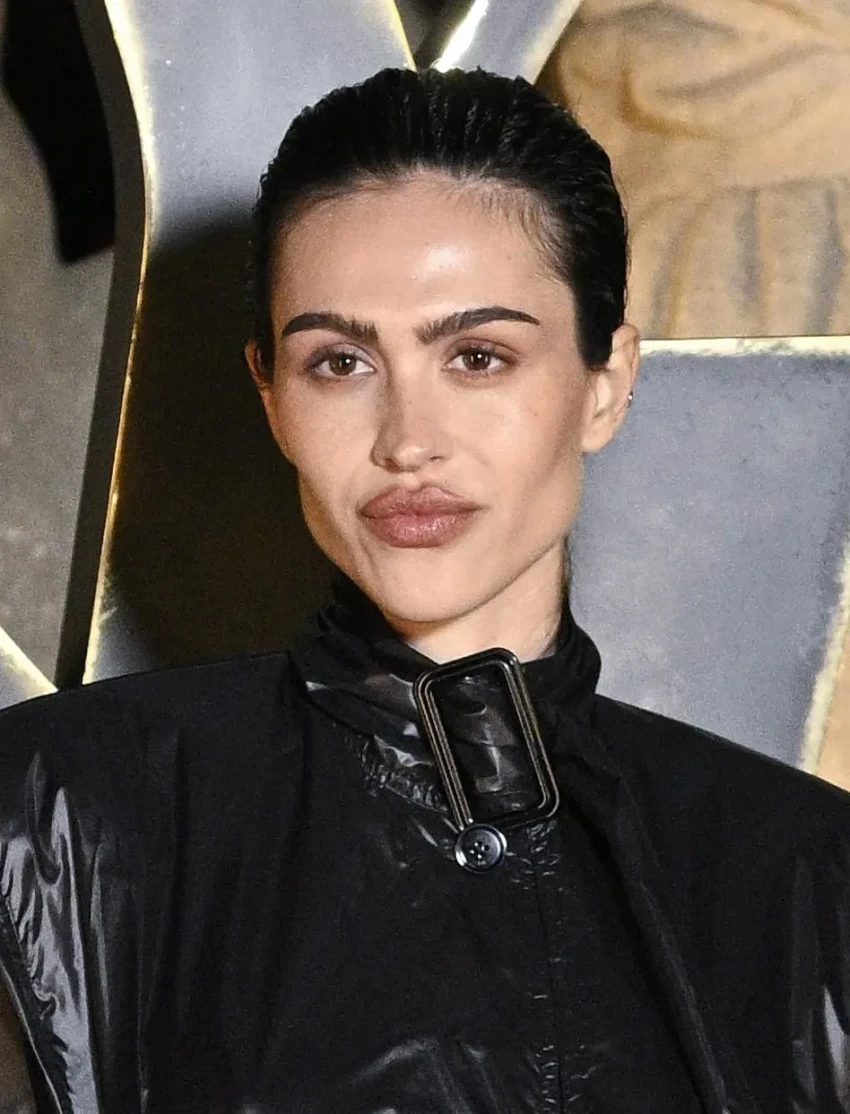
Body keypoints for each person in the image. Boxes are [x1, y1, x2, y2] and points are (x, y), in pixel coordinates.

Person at [0, 66, 848, 1114]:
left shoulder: (807, 878)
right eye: (339, 363)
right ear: (270, 396)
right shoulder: (56, 812)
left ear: (607, 382)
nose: (408, 441)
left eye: (478, 357)